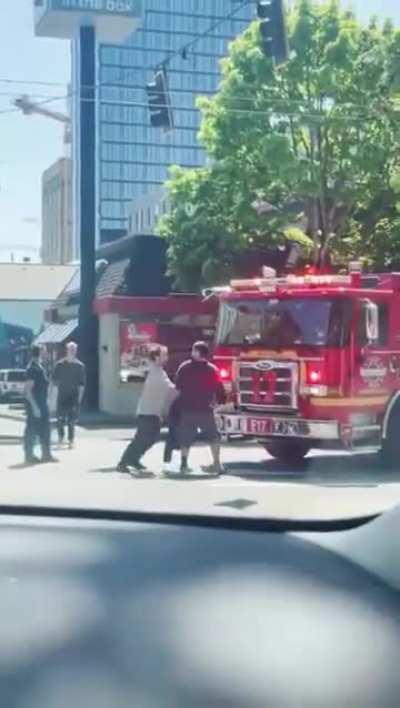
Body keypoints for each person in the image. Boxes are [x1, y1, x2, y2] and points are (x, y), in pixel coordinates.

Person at [117, 346, 177, 473]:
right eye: (164, 355)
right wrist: (182, 390)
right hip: (147, 411)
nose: (167, 358)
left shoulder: (160, 371)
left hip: (153, 412)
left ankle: (134, 460)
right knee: (141, 438)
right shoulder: (155, 371)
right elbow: (169, 388)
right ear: (156, 357)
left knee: (151, 438)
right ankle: (123, 463)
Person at [175, 341, 226, 475]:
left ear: (197, 352)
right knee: (213, 436)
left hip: (188, 408)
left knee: (186, 436)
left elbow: (178, 387)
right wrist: (219, 403)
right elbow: (220, 389)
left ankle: (184, 464)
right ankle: (216, 463)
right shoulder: (212, 369)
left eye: (193, 350)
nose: (191, 352)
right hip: (205, 408)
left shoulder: (184, 367)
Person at [24, 344, 56, 465]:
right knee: (31, 429)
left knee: (45, 429)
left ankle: (46, 454)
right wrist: (35, 407)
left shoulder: (39, 367)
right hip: (35, 405)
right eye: (45, 351)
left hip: (41, 403)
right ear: (39, 353)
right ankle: (29, 455)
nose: (47, 354)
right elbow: (27, 391)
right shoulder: (33, 368)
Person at [53, 342, 86, 449]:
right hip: (62, 395)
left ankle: (71, 440)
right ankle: (60, 438)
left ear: (76, 351)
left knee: (71, 421)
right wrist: (52, 398)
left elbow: (81, 385)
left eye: (74, 349)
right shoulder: (59, 365)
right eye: (70, 349)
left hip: (73, 396)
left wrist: (79, 399)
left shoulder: (80, 366)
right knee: (60, 419)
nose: (72, 351)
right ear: (66, 350)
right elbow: (54, 382)